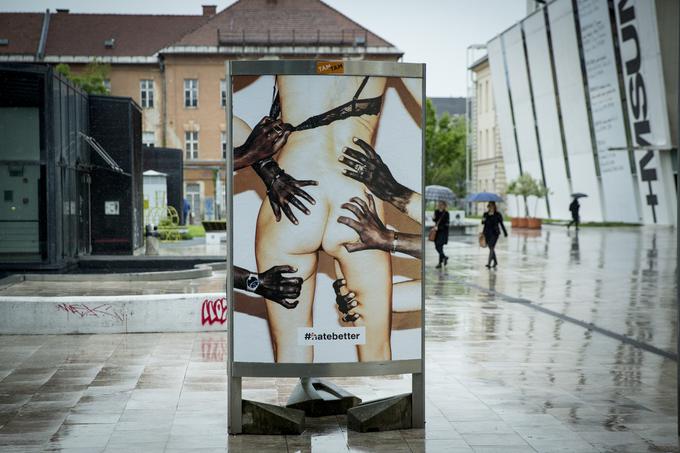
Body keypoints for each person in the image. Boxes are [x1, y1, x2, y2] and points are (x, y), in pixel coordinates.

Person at [237, 75, 421, 363]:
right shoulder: (382, 56)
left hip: (292, 197)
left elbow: (218, 102)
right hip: (356, 202)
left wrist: (261, 164)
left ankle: (295, 405)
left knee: (291, 351)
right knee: (376, 353)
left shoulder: (283, 53)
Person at [481, 201, 508, 268]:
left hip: (495, 233)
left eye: (491, 206)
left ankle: (489, 263)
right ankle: (495, 262)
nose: (489, 207)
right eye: (489, 206)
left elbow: (501, 224)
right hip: (487, 233)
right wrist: (484, 219)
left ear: (494, 206)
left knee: (492, 247)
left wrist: (505, 232)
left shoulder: (498, 214)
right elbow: (482, 222)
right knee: (491, 248)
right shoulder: (485, 214)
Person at [433, 201, 449, 269]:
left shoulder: (446, 213)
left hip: (443, 232)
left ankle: (439, 263)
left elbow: (447, 223)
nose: (440, 205)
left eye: (442, 205)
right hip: (436, 232)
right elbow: (435, 220)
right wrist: (433, 218)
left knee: (440, 246)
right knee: (437, 246)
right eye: (439, 204)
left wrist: (441, 226)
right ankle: (444, 257)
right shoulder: (436, 211)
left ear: (444, 206)